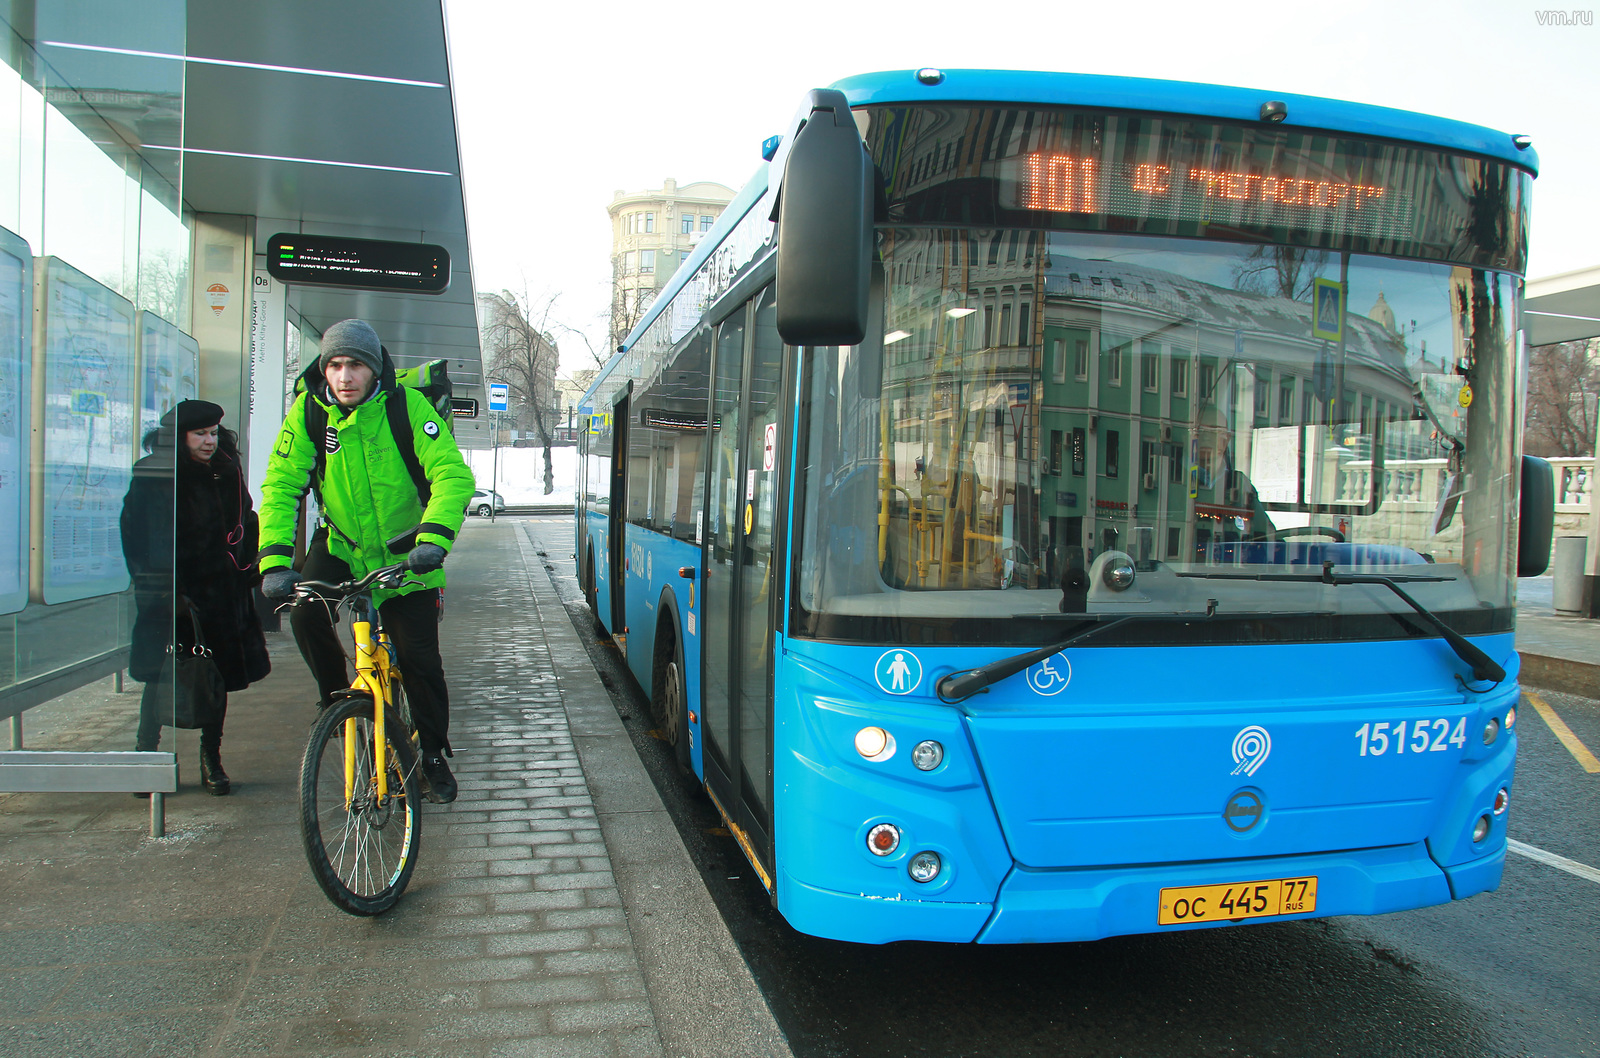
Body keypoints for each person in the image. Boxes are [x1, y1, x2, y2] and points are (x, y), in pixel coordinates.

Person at [257, 319, 473, 803]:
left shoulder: (406, 408)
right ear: (323, 370)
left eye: (355, 364)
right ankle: (337, 700)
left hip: (407, 552)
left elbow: (451, 476)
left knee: (419, 660)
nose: (344, 376)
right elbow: (281, 485)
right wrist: (273, 560)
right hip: (341, 546)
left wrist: (434, 538)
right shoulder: (309, 413)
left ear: (374, 369)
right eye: (334, 365)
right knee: (307, 611)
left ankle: (434, 753)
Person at [121, 400, 271, 795]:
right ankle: (145, 756)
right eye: (200, 434)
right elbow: (136, 536)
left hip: (221, 593)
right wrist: (163, 591)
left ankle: (211, 759)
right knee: (160, 675)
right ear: (179, 436)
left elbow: (246, 518)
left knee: (214, 676)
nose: (209, 441)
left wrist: (246, 566)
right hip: (172, 594)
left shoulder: (225, 469)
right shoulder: (155, 473)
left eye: (213, 433)